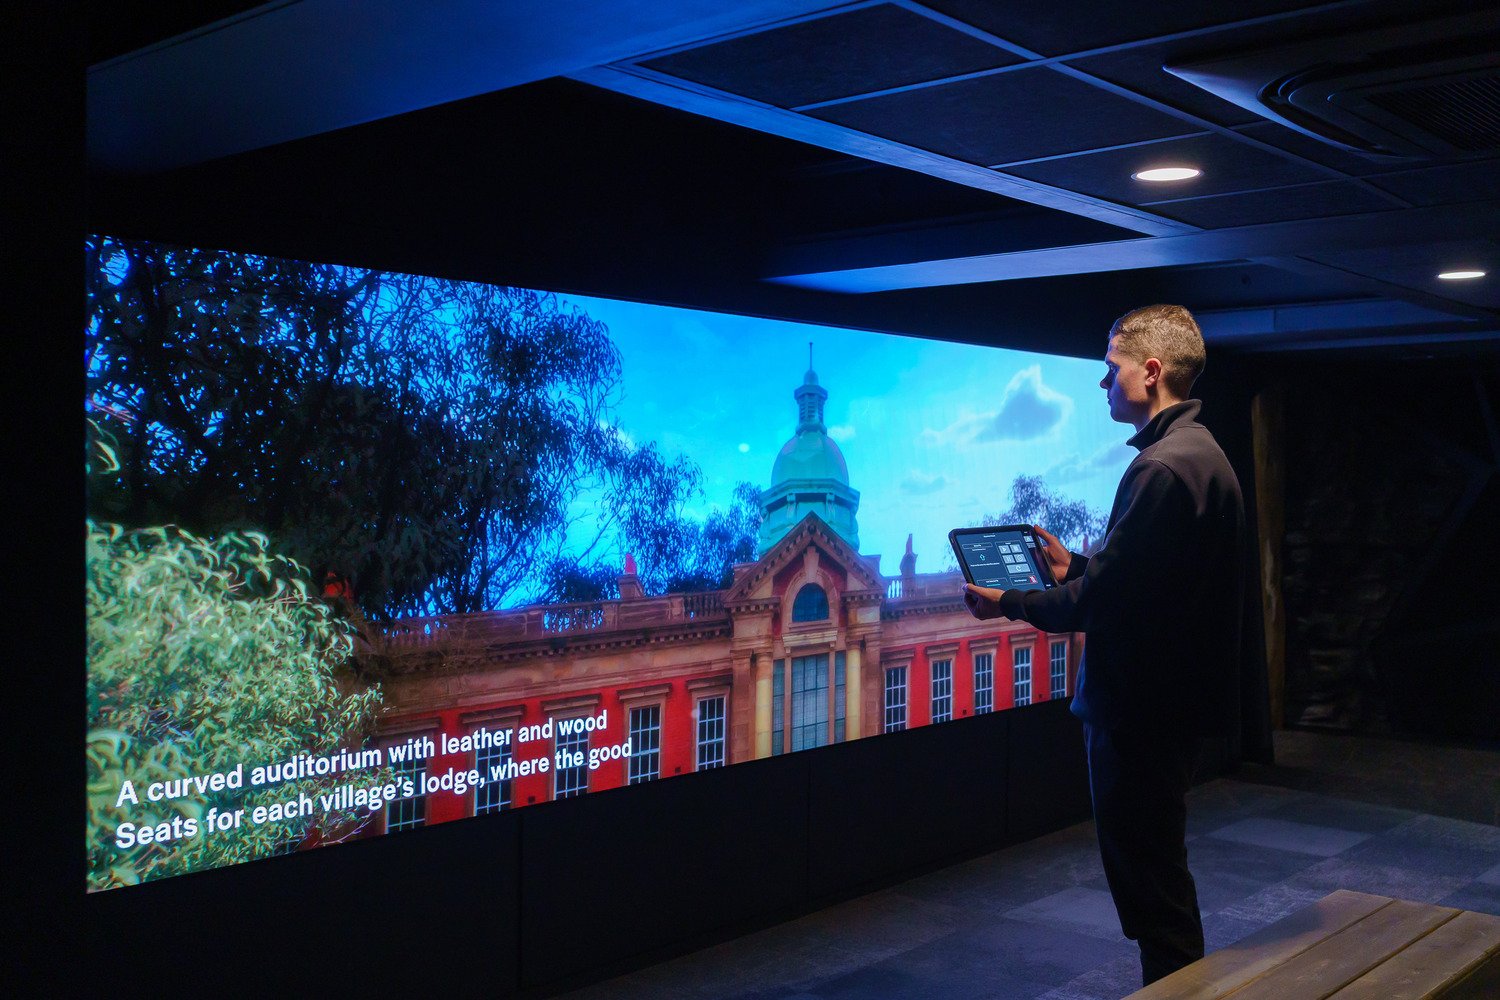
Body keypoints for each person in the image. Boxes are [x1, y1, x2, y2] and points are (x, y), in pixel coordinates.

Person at [963, 303, 1245, 987]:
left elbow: (1100, 608)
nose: (1103, 383)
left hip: (1138, 717)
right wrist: (1078, 566)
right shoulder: (1199, 455)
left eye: (1111, 366)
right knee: (1160, 881)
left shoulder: (1158, 470)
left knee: (1152, 893)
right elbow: (1147, 587)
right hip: (1170, 712)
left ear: (1150, 372)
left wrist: (1011, 603)